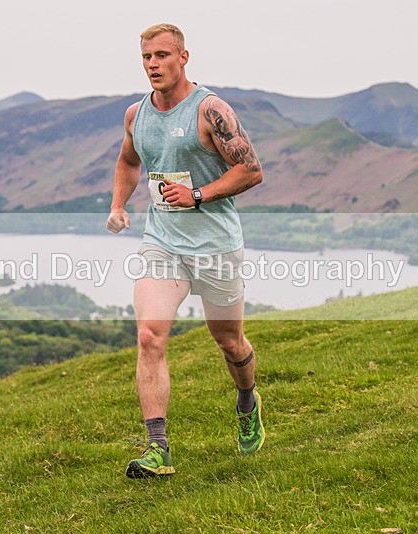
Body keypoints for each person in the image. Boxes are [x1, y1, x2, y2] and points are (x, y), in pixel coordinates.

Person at [106, 23, 265, 478]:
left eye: (161, 56)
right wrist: (118, 205)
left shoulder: (210, 110)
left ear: (183, 57)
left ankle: (246, 400)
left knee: (229, 342)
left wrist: (198, 195)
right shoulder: (137, 115)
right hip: (162, 243)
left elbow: (251, 170)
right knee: (149, 337)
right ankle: (158, 449)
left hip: (215, 244)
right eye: (146, 58)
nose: (152, 65)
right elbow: (129, 161)